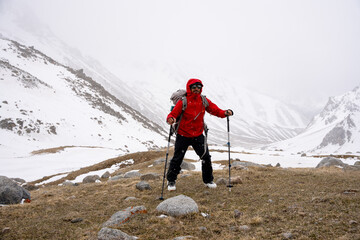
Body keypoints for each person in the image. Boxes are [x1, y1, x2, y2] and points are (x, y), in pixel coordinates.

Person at [166, 78, 233, 191]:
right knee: (177, 158)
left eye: (199, 87)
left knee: (205, 157)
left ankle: (208, 180)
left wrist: (225, 113)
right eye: (194, 87)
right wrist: (171, 119)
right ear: (189, 88)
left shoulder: (203, 100)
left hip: (197, 135)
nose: (197, 89)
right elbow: (172, 114)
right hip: (183, 134)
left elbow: (215, 110)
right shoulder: (183, 101)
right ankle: (171, 180)